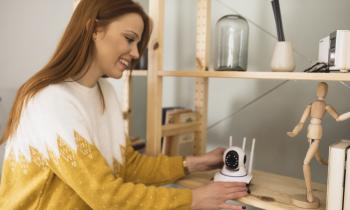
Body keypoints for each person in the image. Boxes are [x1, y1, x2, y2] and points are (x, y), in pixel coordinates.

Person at [0, 0, 248, 209]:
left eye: (138, 43)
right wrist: (194, 199)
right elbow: (105, 195)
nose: (136, 53)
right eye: (129, 39)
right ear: (93, 29)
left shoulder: (105, 92)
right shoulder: (50, 99)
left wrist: (196, 163)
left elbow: (128, 165)